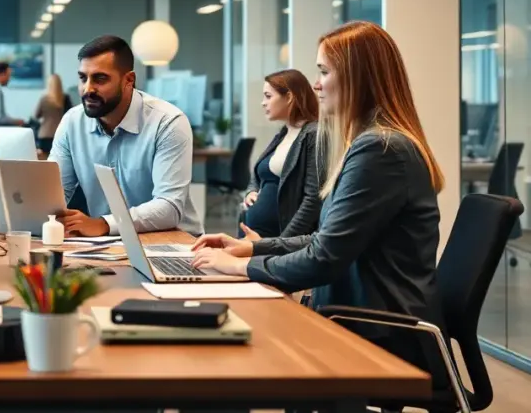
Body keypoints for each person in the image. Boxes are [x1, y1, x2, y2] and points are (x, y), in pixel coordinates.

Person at [191, 21, 444, 367]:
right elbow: (326, 239)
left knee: (240, 360)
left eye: (324, 71)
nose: (315, 84)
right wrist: (252, 248)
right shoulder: (373, 143)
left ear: (357, 78)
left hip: (380, 334)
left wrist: (240, 266)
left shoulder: (380, 149)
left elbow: (324, 258)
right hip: (359, 319)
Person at [50, 35, 202, 237]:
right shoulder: (72, 122)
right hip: (109, 242)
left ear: (129, 80)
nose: (88, 89)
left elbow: (169, 208)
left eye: (100, 79)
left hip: (173, 242)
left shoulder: (168, 122)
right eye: (83, 78)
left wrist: (104, 224)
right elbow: (54, 193)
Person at [240, 69, 321, 239]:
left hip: (277, 242)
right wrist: (251, 192)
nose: (263, 103)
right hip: (254, 235)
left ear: (289, 97)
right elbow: (259, 174)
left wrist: (282, 243)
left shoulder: (312, 134)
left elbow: (312, 200)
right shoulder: (284, 133)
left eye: (268, 96)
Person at [33, 73, 72, 155]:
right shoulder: (65, 98)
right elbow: (70, 116)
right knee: (58, 160)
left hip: (44, 135)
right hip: (59, 135)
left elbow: (36, 115)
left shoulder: (44, 99)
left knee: (45, 161)